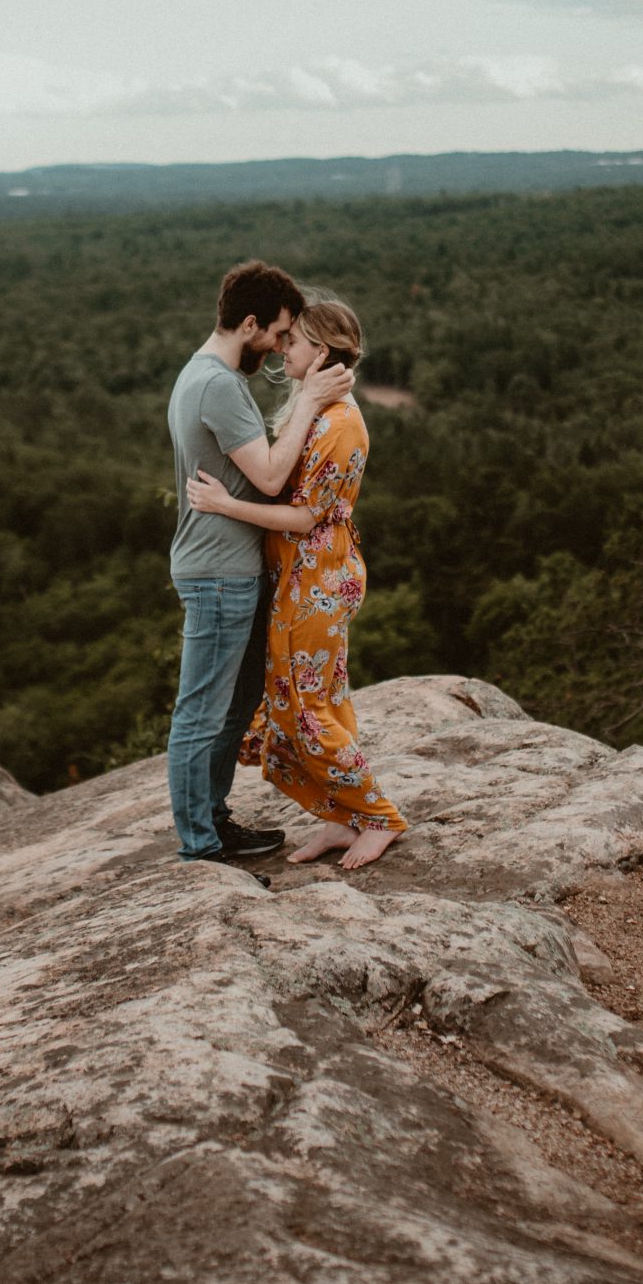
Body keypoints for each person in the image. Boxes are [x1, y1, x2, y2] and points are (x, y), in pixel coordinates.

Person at [186, 300, 405, 870]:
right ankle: (341, 818)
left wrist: (224, 504)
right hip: (300, 576)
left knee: (306, 702)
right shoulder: (319, 409)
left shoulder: (340, 424)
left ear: (322, 352)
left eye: (296, 343)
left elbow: (309, 517)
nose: (285, 350)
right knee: (315, 698)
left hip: (320, 578)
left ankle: (378, 817)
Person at [166, 260, 354, 869]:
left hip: (229, 568)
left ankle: (213, 820)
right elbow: (271, 476)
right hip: (219, 571)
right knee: (201, 710)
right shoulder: (218, 385)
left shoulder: (202, 375)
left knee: (235, 701)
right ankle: (200, 844)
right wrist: (309, 398)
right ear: (249, 324)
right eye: (276, 333)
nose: (279, 347)